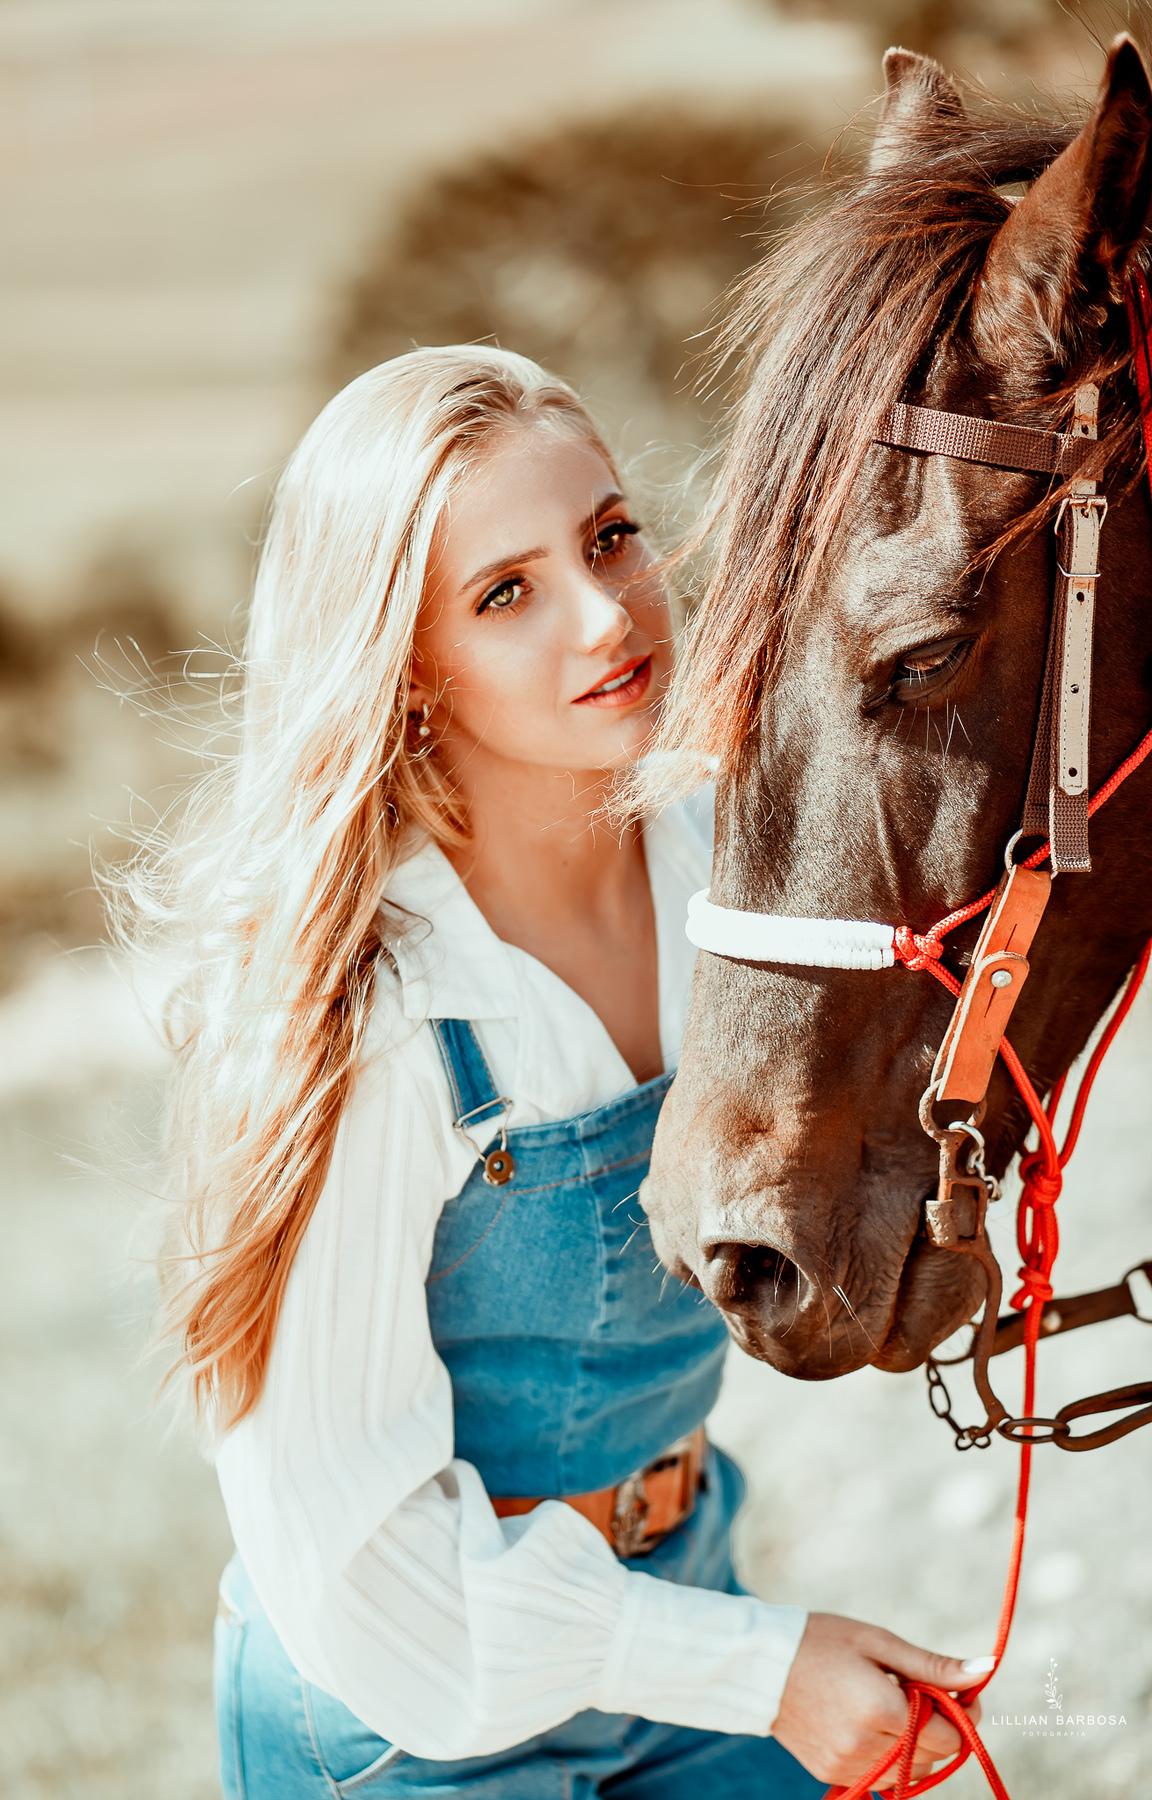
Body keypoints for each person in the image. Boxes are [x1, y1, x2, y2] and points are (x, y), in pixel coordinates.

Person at [136, 345, 985, 1797]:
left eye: (608, 537)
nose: (607, 615)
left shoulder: (733, 878)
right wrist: (760, 1672)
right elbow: (360, 1570)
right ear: (406, 664)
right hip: (405, 1715)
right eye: (506, 593)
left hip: (682, 1586)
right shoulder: (362, 1014)